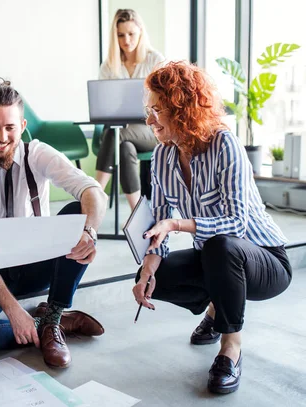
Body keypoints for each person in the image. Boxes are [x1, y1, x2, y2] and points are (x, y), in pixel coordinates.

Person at [133, 61, 292, 394]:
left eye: (157, 110)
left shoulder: (225, 145)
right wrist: (150, 259)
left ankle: (230, 346)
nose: (149, 121)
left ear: (181, 108)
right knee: (152, 276)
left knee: (221, 245)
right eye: (148, 110)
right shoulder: (162, 156)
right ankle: (216, 304)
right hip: (217, 259)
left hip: (264, 260)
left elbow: (236, 222)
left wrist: (177, 223)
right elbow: (159, 214)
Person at [0, 79, 108, 369]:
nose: (2, 136)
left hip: (38, 264)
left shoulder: (38, 153)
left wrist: (90, 232)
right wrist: (13, 309)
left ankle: (54, 314)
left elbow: (93, 191)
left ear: (22, 125)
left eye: (10, 127)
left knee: (76, 213)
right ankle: (45, 326)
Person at [95, 8, 165, 210]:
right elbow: (104, 105)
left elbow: (166, 101)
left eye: (131, 34)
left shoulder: (155, 60)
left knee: (117, 134)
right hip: (122, 130)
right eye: (121, 35)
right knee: (124, 147)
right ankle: (137, 212)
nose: (126, 40)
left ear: (140, 32)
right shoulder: (109, 65)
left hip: (153, 130)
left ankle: (96, 191)